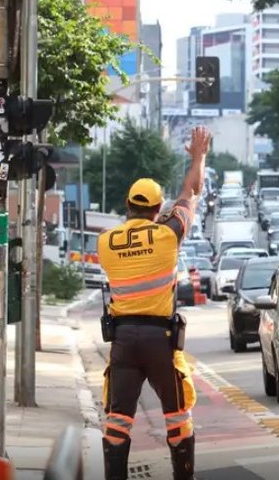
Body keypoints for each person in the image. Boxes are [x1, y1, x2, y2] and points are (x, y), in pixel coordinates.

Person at [97, 126, 211, 480]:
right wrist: (198, 157)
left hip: (124, 342)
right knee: (178, 419)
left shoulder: (105, 242)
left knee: (117, 422)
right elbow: (191, 193)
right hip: (160, 342)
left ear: (128, 205)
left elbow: (134, 234)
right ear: (158, 208)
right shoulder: (167, 236)